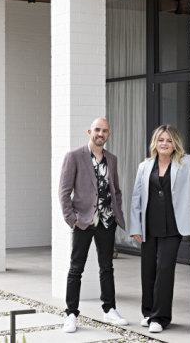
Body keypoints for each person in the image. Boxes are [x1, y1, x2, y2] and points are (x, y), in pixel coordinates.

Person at [59, 117, 128, 333]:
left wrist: (117, 213)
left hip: (107, 222)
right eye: (97, 130)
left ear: (108, 134)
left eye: (105, 131)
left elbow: (116, 189)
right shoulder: (74, 156)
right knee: (76, 268)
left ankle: (109, 310)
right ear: (90, 131)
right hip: (83, 222)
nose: (101, 134)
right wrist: (72, 219)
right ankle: (71, 314)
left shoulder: (112, 159)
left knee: (107, 267)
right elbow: (64, 191)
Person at [129, 124, 190, 333]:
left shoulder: (186, 164)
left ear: (175, 144)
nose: (165, 144)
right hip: (149, 225)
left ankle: (160, 317)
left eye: (169, 140)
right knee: (148, 271)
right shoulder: (144, 166)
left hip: (173, 226)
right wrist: (135, 226)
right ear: (155, 142)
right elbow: (136, 198)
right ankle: (148, 312)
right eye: (161, 140)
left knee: (164, 270)